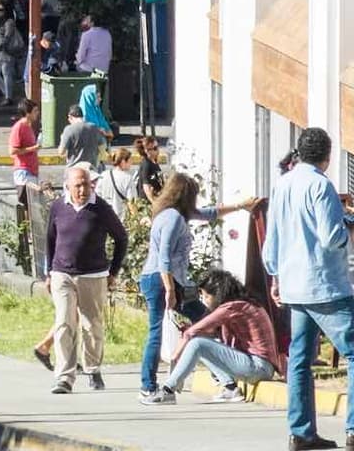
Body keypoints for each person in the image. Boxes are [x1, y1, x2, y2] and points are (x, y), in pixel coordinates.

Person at [262, 126, 354, 450]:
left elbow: (271, 240)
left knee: (299, 360)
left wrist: (275, 276)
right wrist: (348, 228)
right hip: (326, 285)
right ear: (327, 157)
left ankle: (300, 432)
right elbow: (331, 237)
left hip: (293, 285)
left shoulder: (282, 185)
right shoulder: (321, 185)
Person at [139, 172, 257, 403]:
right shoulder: (173, 218)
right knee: (162, 331)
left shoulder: (172, 213)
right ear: (185, 195)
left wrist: (239, 206)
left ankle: (226, 383)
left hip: (170, 280)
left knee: (205, 324)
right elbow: (164, 255)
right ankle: (148, 386)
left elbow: (208, 213)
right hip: (163, 279)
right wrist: (170, 289)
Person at [43, 164, 129, 394]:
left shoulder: (100, 208)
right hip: (62, 274)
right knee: (63, 323)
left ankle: (92, 369)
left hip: (93, 275)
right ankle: (64, 377)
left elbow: (121, 238)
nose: (83, 190)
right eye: (78, 185)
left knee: (92, 325)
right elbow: (50, 239)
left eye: (86, 184)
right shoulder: (59, 207)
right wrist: (48, 272)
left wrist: (113, 272)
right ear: (68, 186)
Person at [160, 268, 282, 403]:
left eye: (206, 296)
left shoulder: (233, 307)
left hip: (259, 366)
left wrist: (175, 356)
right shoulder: (242, 304)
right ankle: (230, 388)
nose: (204, 301)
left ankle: (167, 390)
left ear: (217, 294)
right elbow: (207, 333)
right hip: (260, 366)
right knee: (202, 345)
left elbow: (191, 333)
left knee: (197, 343)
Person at [8, 98, 43, 192]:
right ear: (28, 113)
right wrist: (33, 148)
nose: (37, 113)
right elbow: (13, 151)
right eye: (35, 111)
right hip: (23, 170)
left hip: (32, 170)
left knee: (33, 204)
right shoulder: (19, 127)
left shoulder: (29, 126)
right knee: (26, 202)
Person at [58, 105, 106, 170]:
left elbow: (61, 152)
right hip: (91, 169)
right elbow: (102, 147)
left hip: (74, 169)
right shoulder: (94, 127)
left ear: (70, 117)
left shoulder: (69, 129)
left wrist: (62, 139)